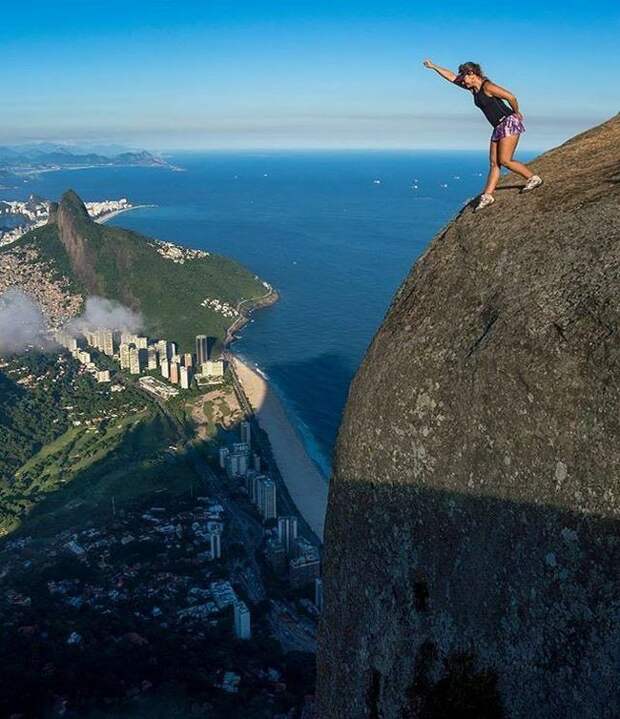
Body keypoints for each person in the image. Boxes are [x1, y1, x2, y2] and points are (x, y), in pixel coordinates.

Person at [423, 59, 543, 211]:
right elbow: (451, 77)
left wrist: (517, 112)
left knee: (505, 160)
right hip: (498, 127)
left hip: (508, 122)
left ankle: (533, 178)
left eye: (464, 76)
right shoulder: (473, 88)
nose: (463, 81)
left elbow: (511, 97)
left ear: (472, 74)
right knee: (494, 163)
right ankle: (488, 196)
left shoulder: (488, 87)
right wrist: (433, 67)